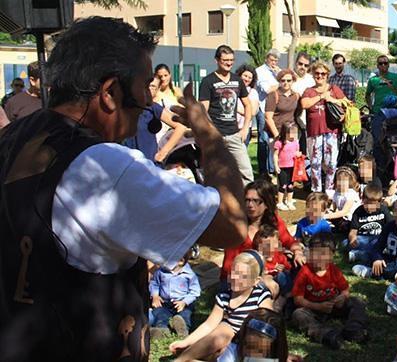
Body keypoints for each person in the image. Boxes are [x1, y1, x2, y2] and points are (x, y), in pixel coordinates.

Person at [0, 17, 246, 360]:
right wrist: (208, 132)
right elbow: (231, 226)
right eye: (145, 85)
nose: (149, 98)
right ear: (111, 93)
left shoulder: (12, 137)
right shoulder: (105, 168)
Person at [170, 251, 273, 360]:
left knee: (225, 330)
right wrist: (185, 342)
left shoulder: (261, 296)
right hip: (228, 346)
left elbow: (267, 327)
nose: (235, 278)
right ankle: (186, 355)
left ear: (255, 281)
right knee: (223, 330)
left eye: (243, 276)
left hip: (250, 346)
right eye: (233, 272)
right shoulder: (224, 297)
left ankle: (184, 358)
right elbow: (209, 325)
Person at [292, 233, 369, 350]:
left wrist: (342, 297)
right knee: (298, 314)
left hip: (334, 304)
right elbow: (298, 299)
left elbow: (345, 289)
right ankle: (327, 335)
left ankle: (354, 329)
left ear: (332, 255)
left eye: (324, 254)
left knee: (357, 302)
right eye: (315, 253)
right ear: (309, 253)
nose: (319, 258)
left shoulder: (334, 270)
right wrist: (318, 306)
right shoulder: (304, 272)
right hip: (313, 309)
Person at [221, 180, 299, 282]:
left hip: (270, 272)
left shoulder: (273, 221)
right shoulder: (237, 227)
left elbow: (289, 241)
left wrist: (298, 252)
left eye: (256, 201)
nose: (250, 205)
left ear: (267, 204)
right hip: (242, 279)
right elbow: (229, 266)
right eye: (247, 200)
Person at [199, 45, 254, 185]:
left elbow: (248, 105)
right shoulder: (208, 81)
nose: (229, 63)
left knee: (246, 173)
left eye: (231, 60)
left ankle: (247, 203)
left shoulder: (237, 80)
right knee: (214, 175)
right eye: (225, 60)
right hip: (216, 136)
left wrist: (245, 128)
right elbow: (203, 110)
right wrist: (209, 131)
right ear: (217, 60)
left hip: (235, 135)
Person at [301, 62, 348, 193]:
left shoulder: (334, 89)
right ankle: (316, 190)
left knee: (331, 163)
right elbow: (304, 104)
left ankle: (329, 189)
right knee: (315, 163)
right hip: (314, 132)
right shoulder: (309, 91)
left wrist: (332, 100)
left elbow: (347, 103)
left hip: (331, 131)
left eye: (323, 73)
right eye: (317, 73)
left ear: (327, 75)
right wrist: (321, 96)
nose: (320, 76)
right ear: (313, 75)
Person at [123, 77, 188, 163]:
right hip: (126, 164)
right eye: (147, 86)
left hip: (149, 164)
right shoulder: (124, 107)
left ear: (158, 90)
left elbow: (180, 126)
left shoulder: (153, 108)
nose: (149, 89)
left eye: (153, 86)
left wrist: (163, 152)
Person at [352, 196, 397, 279]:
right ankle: (364, 257)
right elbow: (379, 245)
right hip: (388, 258)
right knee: (372, 251)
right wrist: (377, 258)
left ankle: (375, 273)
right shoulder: (390, 226)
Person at [149, 250, 201, 338]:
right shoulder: (161, 272)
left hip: (182, 303)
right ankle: (162, 330)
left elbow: (195, 291)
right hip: (164, 302)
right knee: (160, 313)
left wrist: (184, 302)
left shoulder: (190, 275)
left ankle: (183, 329)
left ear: (182, 260)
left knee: (185, 315)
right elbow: (154, 283)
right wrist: (155, 296)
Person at [345, 182, 392, 264]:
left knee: (377, 244)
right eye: (366, 204)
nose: (369, 208)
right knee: (346, 242)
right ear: (362, 199)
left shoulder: (383, 210)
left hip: (378, 238)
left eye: (373, 205)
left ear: (379, 202)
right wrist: (353, 238)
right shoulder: (358, 212)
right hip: (363, 238)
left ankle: (360, 255)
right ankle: (367, 254)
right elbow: (353, 230)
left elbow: (391, 226)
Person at [253, 225, 292, 311]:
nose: (269, 249)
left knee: (282, 275)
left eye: (273, 245)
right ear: (258, 246)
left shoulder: (278, 255)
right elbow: (257, 272)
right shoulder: (258, 258)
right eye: (265, 246)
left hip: (280, 282)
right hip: (266, 283)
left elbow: (287, 267)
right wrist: (268, 271)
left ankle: (286, 297)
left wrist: (284, 268)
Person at [255, 49, 281, 176]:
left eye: (276, 60)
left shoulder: (278, 72)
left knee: (275, 139)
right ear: (266, 59)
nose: (274, 63)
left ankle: (273, 168)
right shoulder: (260, 71)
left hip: (277, 109)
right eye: (272, 60)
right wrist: (281, 82)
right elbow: (267, 89)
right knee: (264, 139)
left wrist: (280, 76)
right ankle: (263, 170)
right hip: (263, 108)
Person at [264, 69, 300, 140]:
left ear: (293, 81)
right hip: (277, 131)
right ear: (279, 81)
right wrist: (276, 135)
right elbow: (268, 117)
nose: (286, 83)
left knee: (292, 151)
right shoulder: (274, 95)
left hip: (292, 131)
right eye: (283, 80)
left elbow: (297, 113)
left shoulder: (296, 95)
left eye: (289, 80)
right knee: (277, 151)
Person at [273, 122, 301, 211]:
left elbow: (297, 153)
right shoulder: (279, 143)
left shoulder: (296, 143)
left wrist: (298, 154)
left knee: (291, 185)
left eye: (295, 133)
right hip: (282, 167)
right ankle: (280, 202)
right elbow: (275, 155)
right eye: (292, 133)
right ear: (285, 133)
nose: (294, 135)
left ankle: (289, 201)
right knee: (283, 185)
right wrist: (276, 165)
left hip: (292, 167)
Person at [235, 64, 260, 146]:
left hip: (244, 128)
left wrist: (236, 109)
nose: (247, 79)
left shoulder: (253, 93)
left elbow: (252, 112)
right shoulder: (232, 88)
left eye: (250, 78)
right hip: (230, 127)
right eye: (245, 76)